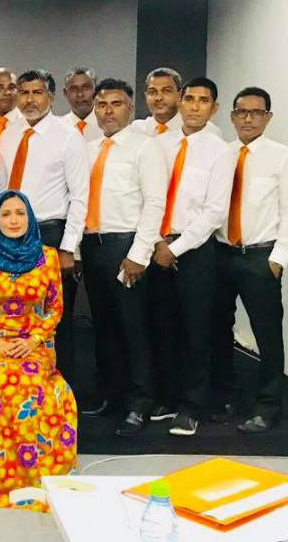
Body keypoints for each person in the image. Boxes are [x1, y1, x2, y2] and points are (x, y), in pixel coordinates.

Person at [0, 190, 77, 511]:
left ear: (29, 217)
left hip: (35, 343)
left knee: (40, 390)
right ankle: (6, 480)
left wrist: (33, 340)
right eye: (6, 214)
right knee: (2, 387)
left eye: (19, 213)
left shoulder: (48, 257)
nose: (13, 220)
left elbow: (55, 308)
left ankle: (39, 479)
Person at [210, 87, 288, 433]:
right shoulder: (222, 154)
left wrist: (279, 258)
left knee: (267, 333)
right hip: (221, 253)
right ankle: (226, 397)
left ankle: (268, 405)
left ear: (268, 117)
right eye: (242, 112)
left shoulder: (283, 156)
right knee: (218, 329)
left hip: (261, 257)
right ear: (232, 116)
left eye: (256, 112)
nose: (248, 118)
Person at [149, 77, 234, 436]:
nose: (194, 106)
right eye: (189, 98)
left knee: (196, 330)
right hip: (157, 245)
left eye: (203, 100)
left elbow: (214, 212)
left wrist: (175, 248)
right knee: (162, 326)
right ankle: (169, 397)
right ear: (179, 102)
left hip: (195, 250)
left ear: (214, 108)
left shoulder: (221, 151)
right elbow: (149, 196)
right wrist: (157, 243)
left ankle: (192, 405)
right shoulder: (158, 144)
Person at [81, 79, 166, 436]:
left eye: (116, 104)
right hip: (93, 245)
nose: (108, 111)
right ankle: (111, 395)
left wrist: (138, 254)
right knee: (104, 327)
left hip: (125, 247)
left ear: (130, 108)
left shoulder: (146, 147)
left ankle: (140, 403)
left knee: (134, 328)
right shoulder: (88, 149)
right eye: (102, 104)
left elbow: (155, 203)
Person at [0, 69, 89, 386]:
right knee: (16, 316)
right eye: (24, 93)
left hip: (50, 235)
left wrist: (68, 248)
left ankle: (61, 393)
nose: (30, 99)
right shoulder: (9, 134)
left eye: (37, 93)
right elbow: (1, 189)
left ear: (50, 96)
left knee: (54, 320)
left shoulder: (68, 136)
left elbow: (80, 197)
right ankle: (24, 390)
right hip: (11, 236)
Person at [133, 67, 222, 137]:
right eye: (152, 92)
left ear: (180, 95)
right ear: (145, 96)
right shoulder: (137, 129)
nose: (158, 98)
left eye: (166, 91)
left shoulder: (206, 130)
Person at [59, 67, 103, 142]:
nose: (80, 94)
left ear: (96, 91)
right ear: (65, 93)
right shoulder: (58, 128)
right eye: (74, 88)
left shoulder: (109, 126)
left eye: (85, 87)